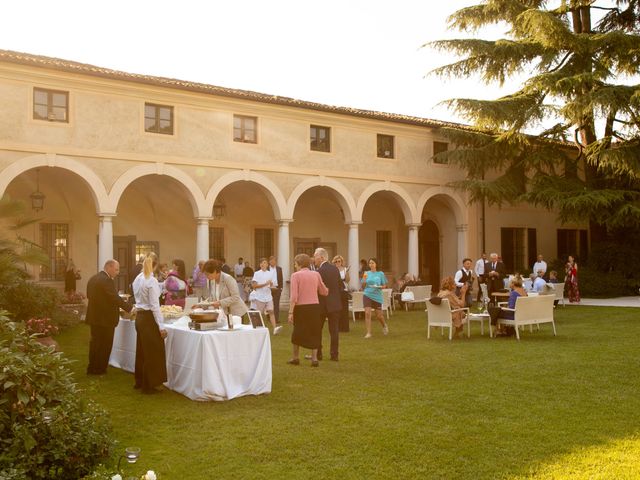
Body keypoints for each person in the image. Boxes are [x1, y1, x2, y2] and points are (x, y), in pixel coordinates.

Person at [85, 259, 132, 375]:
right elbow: (114, 298)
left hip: (94, 317)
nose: (118, 272)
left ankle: (92, 368)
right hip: (105, 318)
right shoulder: (107, 280)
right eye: (116, 269)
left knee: (95, 343)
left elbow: (89, 295)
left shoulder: (93, 278)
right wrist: (130, 308)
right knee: (105, 344)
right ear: (109, 267)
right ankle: (100, 369)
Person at [132, 254, 167, 394]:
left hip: (139, 316)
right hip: (148, 318)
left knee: (141, 351)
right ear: (155, 265)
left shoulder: (138, 278)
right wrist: (162, 327)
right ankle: (149, 385)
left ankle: (140, 381)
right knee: (152, 351)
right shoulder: (150, 280)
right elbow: (154, 306)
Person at [287, 253, 328, 367]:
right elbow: (323, 291)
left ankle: (296, 357)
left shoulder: (295, 275)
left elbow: (294, 296)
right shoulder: (316, 274)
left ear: (299, 264)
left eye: (295, 263)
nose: (295, 266)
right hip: (314, 307)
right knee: (314, 331)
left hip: (301, 308)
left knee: (297, 332)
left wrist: (291, 312)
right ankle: (314, 359)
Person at [314, 248, 343, 361]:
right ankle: (334, 354)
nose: (313, 258)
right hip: (334, 304)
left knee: (317, 330)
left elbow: (317, 288)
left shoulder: (318, 272)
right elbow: (340, 285)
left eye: (315, 256)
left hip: (321, 304)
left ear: (321, 257)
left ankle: (318, 353)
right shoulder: (335, 269)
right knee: (334, 331)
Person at [251, 258, 282, 335]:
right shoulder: (257, 273)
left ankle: (275, 328)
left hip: (268, 296)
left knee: (271, 311)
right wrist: (265, 284)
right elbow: (254, 286)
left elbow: (271, 284)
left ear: (267, 265)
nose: (263, 264)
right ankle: (254, 329)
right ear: (260, 265)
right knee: (258, 313)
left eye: (264, 263)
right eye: (261, 263)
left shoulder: (270, 273)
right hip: (260, 297)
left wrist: (271, 285)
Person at [361, 257, 389, 338]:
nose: (371, 264)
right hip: (367, 294)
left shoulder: (380, 274)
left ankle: (384, 326)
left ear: (376, 264)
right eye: (370, 263)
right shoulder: (366, 273)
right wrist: (364, 280)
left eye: (373, 263)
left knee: (379, 316)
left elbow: (385, 285)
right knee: (367, 313)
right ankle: (368, 333)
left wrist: (381, 287)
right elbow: (363, 286)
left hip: (377, 296)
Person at [332, 254, 351, 333]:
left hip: (344, 290)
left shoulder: (345, 269)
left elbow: (347, 280)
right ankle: (337, 327)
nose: (337, 263)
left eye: (339, 261)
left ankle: (345, 327)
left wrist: (346, 272)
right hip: (336, 291)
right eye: (336, 261)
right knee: (337, 309)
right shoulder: (333, 270)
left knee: (344, 309)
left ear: (341, 262)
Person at [268, 255, 283, 323]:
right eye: (271, 261)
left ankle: (276, 319)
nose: (272, 262)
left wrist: (281, 288)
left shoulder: (279, 269)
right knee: (268, 304)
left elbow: (281, 278)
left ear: (276, 261)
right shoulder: (267, 269)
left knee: (276, 304)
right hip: (268, 289)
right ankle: (269, 318)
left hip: (277, 289)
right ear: (269, 262)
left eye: (274, 260)